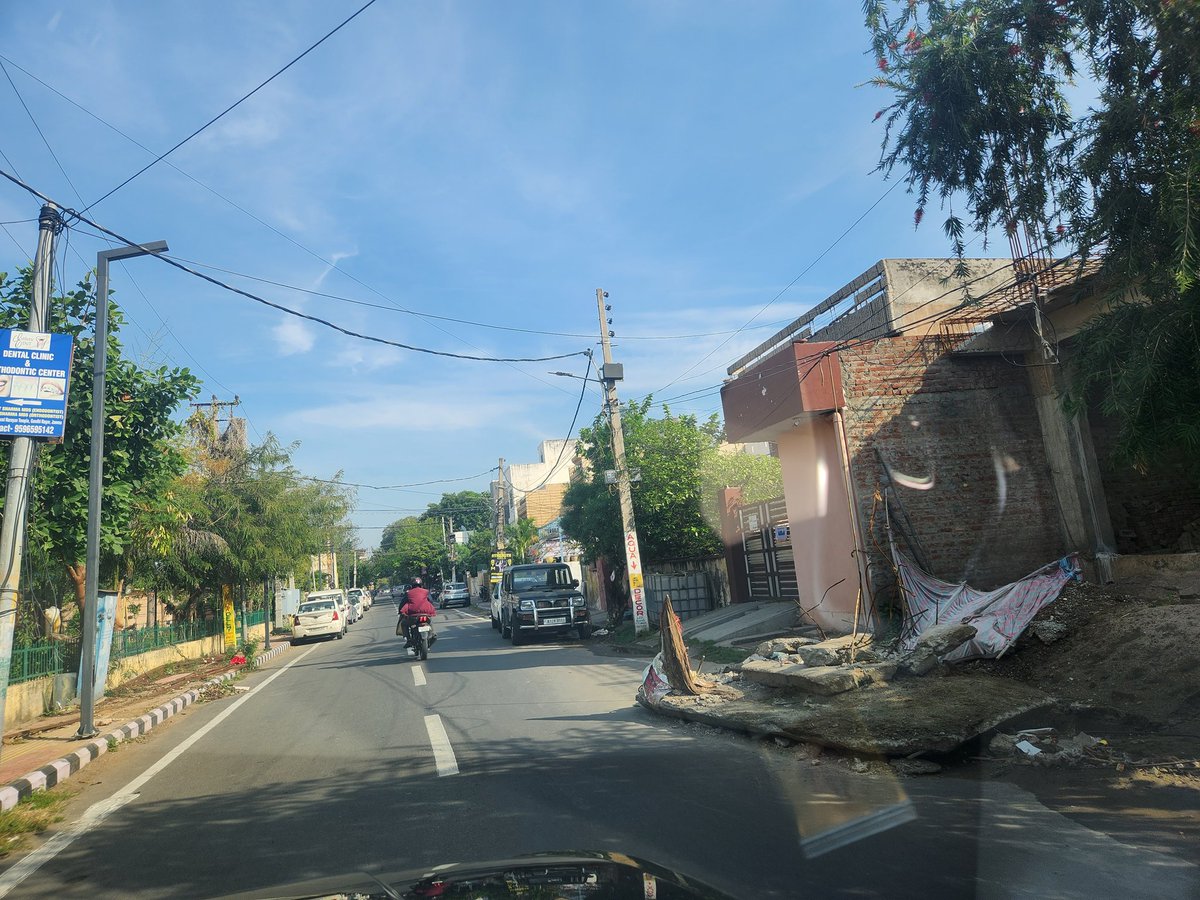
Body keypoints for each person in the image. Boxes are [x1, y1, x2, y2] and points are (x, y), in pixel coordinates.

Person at [399, 577, 437, 646]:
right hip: (426, 615)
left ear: (412, 585)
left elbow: (402, 603)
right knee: (430, 622)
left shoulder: (409, 593)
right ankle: (432, 634)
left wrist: (400, 611)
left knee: (403, 623)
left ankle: (409, 640)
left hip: (413, 617)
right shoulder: (426, 591)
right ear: (421, 584)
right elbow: (431, 601)